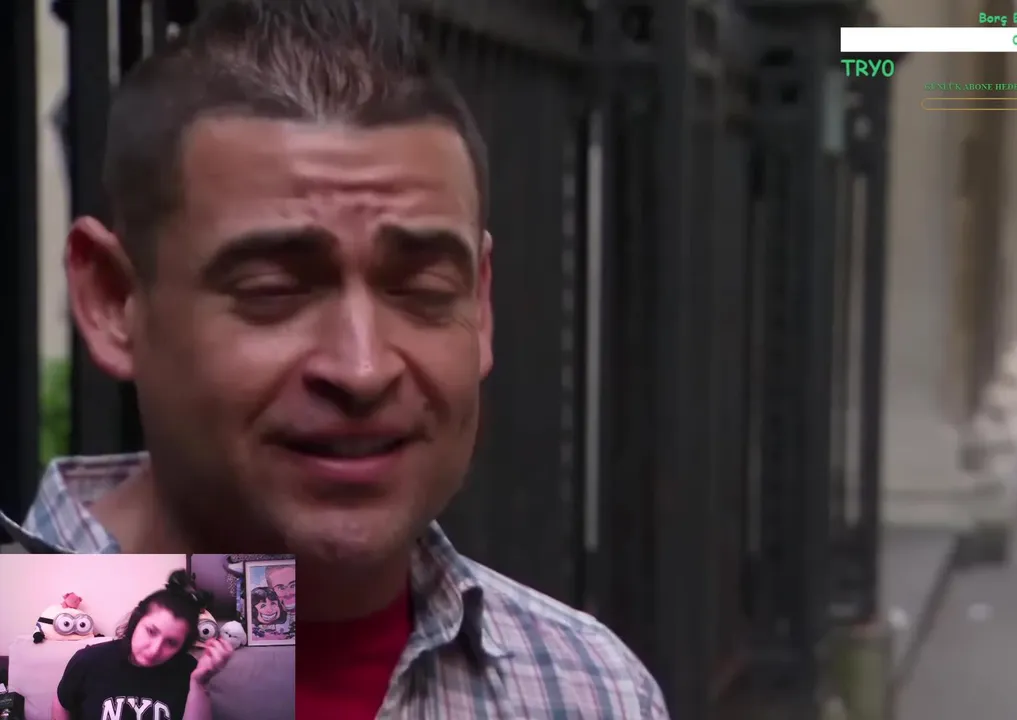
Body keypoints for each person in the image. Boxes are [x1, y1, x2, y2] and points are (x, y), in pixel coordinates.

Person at [0, 1, 666, 717]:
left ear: (480, 303)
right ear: (112, 300)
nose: (362, 368)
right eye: (274, 291)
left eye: (422, 290)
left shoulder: (592, 690)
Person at [52, 571, 234, 720]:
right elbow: (62, 704)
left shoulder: (189, 671)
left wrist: (199, 683)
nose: (155, 650)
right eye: (151, 631)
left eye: (171, 642)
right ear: (137, 620)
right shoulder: (88, 661)